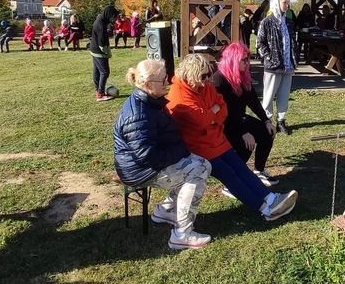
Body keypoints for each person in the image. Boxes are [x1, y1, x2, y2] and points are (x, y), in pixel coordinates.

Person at [166, 54, 298, 221]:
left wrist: (211, 114)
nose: (208, 80)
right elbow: (201, 121)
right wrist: (212, 114)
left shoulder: (203, 85)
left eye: (209, 74)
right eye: (204, 76)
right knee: (229, 174)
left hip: (215, 139)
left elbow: (221, 106)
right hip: (198, 147)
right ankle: (265, 209)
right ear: (191, 75)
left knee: (240, 167)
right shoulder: (179, 96)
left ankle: (271, 198)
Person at [113, 59, 213, 250]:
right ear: (147, 84)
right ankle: (182, 234)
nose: (167, 82)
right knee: (198, 169)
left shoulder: (149, 101)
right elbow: (148, 156)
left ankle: (165, 210)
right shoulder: (138, 114)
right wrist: (181, 151)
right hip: (139, 169)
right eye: (162, 80)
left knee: (199, 163)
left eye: (166, 77)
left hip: (147, 162)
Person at [211, 43, 279, 188]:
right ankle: (232, 181)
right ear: (233, 60)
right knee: (246, 143)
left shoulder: (242, 76)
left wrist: (266, 120)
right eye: (244, 60)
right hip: (222, 124)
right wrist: (243, 132)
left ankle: (258, 170)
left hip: (238, 119)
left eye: (248, 59)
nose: (247, 63)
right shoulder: (219, 80)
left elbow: (253, 101)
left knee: (267, 132)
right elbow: (223, 114)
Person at [256, 0, 297, 135]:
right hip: (273, 66)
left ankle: (281, 121)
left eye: (288, 2)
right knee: (268, 96)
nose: (287, 5)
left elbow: (293, 42)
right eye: (284, 2)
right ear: (276, 3)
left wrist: (293, 59)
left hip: (287, 65)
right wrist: (269, 58)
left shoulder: (289, 23)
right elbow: (259, 43)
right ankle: (266, 121)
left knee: (284, 96)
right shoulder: (266, 22)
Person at [91, 5, 117, 102]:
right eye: (113, 16)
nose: (114, 19)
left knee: (97, 71)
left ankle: (98, 91)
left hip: (94, 49)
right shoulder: (101, 25)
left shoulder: (100, 20)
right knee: (105, 72)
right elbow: (102, 43)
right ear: (109, 14)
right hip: (99, 51)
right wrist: (108, 53)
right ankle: (100, 94)